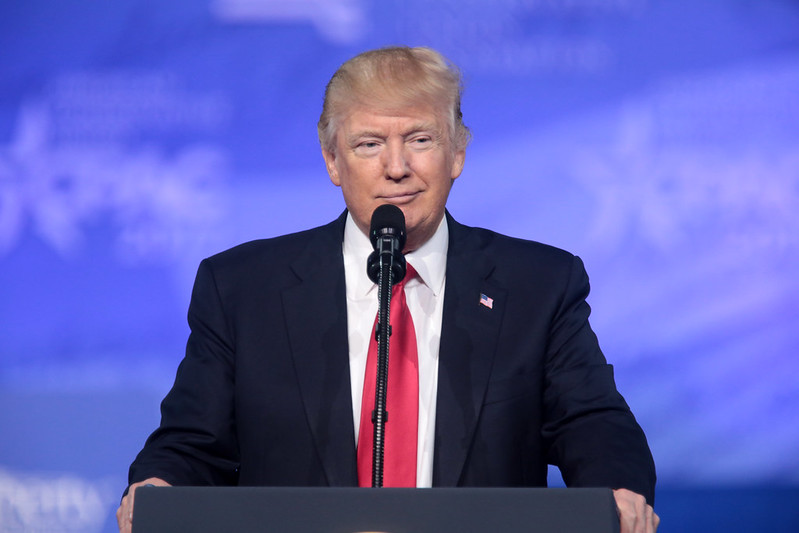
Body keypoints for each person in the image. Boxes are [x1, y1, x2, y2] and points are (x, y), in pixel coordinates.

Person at [117, 46, 658, 533]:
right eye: (369, 143)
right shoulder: (242, 288)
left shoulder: (538, 284)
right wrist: (159, 486)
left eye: (420, 140)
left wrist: (618, 489)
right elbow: (192, 443)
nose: (396, 167)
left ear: (458, 154)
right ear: (333, 160)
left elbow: (592, 422)